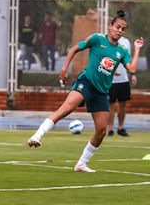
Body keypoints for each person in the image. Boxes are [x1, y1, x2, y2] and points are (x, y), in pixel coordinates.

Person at [26, 10, 144, 172]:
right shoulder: (97, 39)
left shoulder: (122, 51)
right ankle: (36, 136)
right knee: (66, 108)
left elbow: (131, 68)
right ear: (110, 26)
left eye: (123, 29)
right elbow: (75, 48)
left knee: (101, 131)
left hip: (102, 91)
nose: (119, 31)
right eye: (117, 27)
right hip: (86, 82)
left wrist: (137, 48)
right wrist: (64, 68)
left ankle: (81, 163)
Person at [107, 36, 136, 137]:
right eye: (117, 26)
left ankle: (121, 127)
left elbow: (128, 59)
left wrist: (132, 74)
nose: (119, 30)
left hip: (124, 79)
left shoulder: (126, 41)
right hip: (111, 80)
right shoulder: (106, 40)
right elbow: (103, 58)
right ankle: (110, 128)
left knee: (122, 105)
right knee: (111, 104)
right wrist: (112, 70)